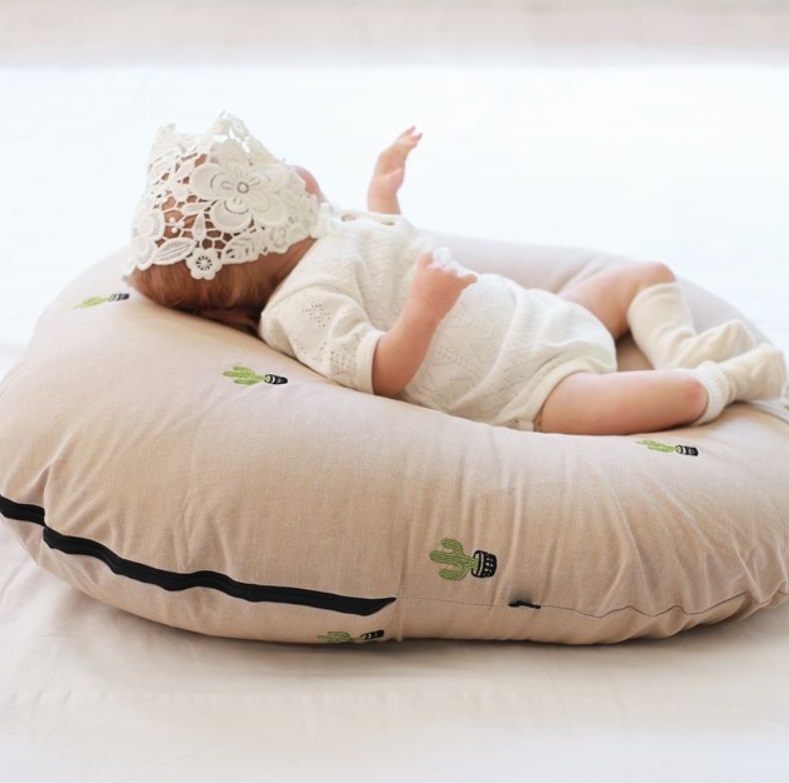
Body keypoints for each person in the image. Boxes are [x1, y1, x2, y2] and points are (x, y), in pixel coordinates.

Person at [126, 114, 786, 436]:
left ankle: (681, 346)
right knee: (674, 398)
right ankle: (723, 378)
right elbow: (380, 370)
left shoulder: (332, 228)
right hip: (527, 388)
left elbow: (390, 250)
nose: (291, 169)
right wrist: (423, 311)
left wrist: (383, 193)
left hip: (535, 315)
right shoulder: (301, 305)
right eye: (267, 180)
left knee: (646, 273)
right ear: (257, 235)